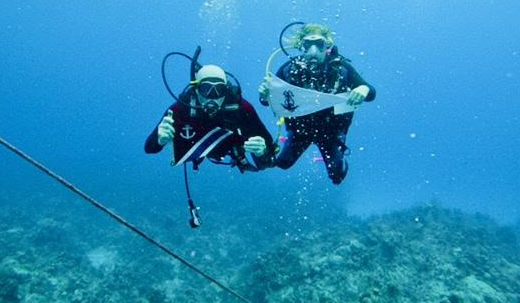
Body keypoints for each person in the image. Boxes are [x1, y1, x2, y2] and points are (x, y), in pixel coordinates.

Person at [258, 23, 376, 185]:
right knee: (283, 164)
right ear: (301, 46)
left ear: (327, 46)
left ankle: (340, 163)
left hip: (332, 130)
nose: (313, 51)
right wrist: (264, 95)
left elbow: (371, 94)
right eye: (308, 45)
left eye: (319, 44)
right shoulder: (288, 69)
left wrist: (363, 89)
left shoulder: (341, 68)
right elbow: (267, 101)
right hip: (300, 129)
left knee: (337, 176)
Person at [145, 64, 276, 172]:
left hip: (231, 149)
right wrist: (159, 139)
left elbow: (270, 160)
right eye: (206, 89)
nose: (212, 97)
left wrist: (262, 152)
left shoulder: (241, 109)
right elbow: (149, 148)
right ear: (196, 90)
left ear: (226, 90)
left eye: (219, 90)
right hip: (196, 148)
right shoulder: (181, 109)